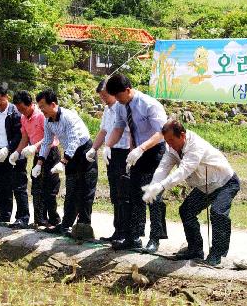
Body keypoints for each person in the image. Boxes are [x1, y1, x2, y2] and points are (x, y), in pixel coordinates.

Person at [142, 120, 240, 266]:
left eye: (171, 140)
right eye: (166, 141)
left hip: (225, 182)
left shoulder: (196, 146)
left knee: (218, 212)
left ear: (182, 135)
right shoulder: (172, 149)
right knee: (186, 210)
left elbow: (183, 171)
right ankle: (195, 249)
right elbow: (163, 168)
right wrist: (153, 186)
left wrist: (161, 185)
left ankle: (217, 254)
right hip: (204, 186)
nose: (169, 144)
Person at [104, 73, 169, 252]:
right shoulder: (121, 106)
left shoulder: (149, 104)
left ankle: (155, 238)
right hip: (136, 153)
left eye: (118, 95)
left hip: (155, 150)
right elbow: (119, 127)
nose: (116, 99)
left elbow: (161, 133)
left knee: (153, 195)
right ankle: (134, 236)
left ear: (127, 90)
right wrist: (108, 145)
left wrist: (142, 148)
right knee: (134, 194)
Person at [35, 88, 96, 237]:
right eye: (39, 106)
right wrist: (39, 163)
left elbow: (74, 140)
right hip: (70, 155)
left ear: (53, 104)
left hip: (85, 152)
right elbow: (47, 142)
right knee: (71, 190)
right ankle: (66, 225)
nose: (41, 110)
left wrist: (63, 162)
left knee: (86, 190)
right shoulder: (48, 121)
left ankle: (83, 227)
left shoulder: (69, 117)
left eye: (43, 106)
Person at [88, 79, 131, 242]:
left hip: (124, 151)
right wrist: (93, 149)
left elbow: (126, 131)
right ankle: (117, 230)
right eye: (101, 97)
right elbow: (103, 131)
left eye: (106, 95)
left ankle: (125, 232)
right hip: (111, 153)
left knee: (123, 193)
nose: (104, 99)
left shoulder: (123, 107)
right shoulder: (107, 110)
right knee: (115, 193)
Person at [12, 90, 60, 230]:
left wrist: (34, 146)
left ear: (30, 104)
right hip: (38, 155)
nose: (21, 112)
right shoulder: (23, 118)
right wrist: (17, 152)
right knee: (36, 188)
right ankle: (40, 220)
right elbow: (25, 137)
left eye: (23, 109)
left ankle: (54, 220)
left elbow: (50, 138)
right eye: (19, 110)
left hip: (50, 153)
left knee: (50, 188)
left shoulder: (41, 116)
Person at [0, 85, 29, 227]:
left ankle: (23, 217)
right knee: (3, 186)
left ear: (6, 97)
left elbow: (20, 135)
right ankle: (4, 214)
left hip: (15, 155)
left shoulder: (15, 112)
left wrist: (8, 149)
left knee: (18, 186)